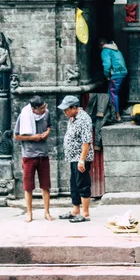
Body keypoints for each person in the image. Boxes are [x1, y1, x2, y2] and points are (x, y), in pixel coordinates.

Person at [14, 95, 53, 222]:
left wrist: (47, 133)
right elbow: (17, 136)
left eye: (44, 106)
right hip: (29, 155)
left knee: (46, 185)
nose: (44, 109)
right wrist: (33, 138)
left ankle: (47, 212)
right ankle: (29, 213)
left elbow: (49, 127)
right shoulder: (24, 116)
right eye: (41, 108)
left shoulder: (46, 114)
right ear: (33, 109)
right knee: (28, 186)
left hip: (43, 154)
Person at [58, 95, 94, 223]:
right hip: (73, 157)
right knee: (74, 183)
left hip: (80, 158)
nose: (64, 112)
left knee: (83, 184)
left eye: (66, 109)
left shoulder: (84, 119)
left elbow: (86, 142)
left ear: (74, 108)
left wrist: (82, 160)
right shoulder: (73, 118)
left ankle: (85, 213)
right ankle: (75, 210)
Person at [100, 38, 128, 122]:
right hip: (122, 73)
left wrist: (107, 75)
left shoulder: (105, 50)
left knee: (112, 94)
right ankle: (117, 112)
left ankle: (116, 115)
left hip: (115, 74)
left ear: (101, 44)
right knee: (116, 93)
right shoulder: (116, 49)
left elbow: (107, 64)